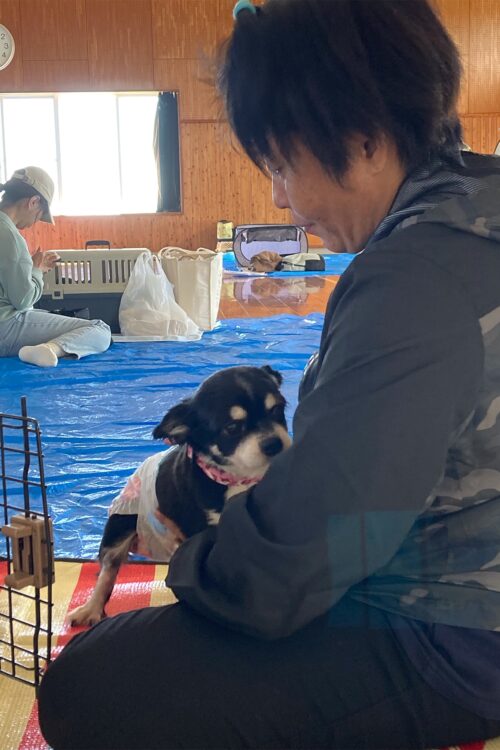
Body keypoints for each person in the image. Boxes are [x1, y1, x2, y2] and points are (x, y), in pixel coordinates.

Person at [38, 1, 500, 748]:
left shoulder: (415, 279)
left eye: (282, 162)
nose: (280, 196)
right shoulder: (478, 207)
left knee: (87, 686)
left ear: (363, 135)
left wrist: (192, 564)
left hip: (455, 633)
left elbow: (310, 547)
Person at [0, 166, 111, 366]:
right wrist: (36, 270)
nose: (34, 223)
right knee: (99, 329)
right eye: (38, 216)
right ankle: (49, 349)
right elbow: (23, 301)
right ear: (33, 202)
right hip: (5, 328)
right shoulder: (10, 236)